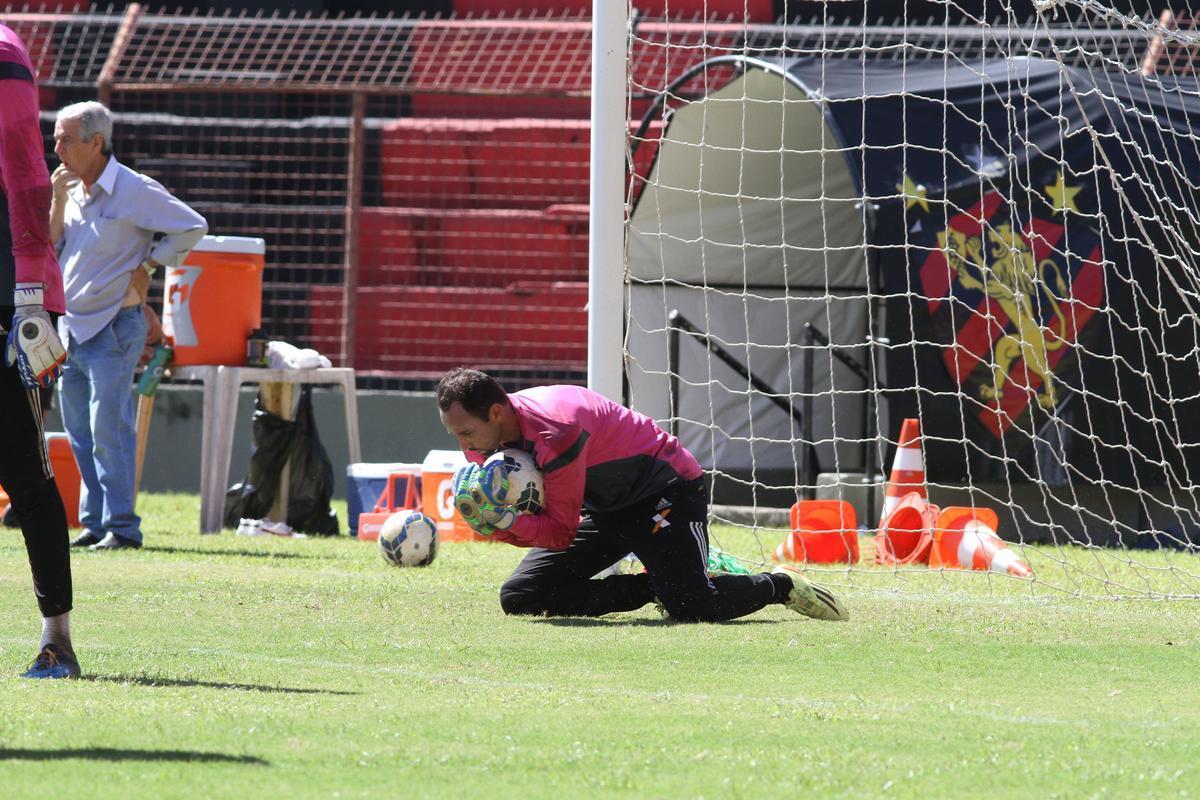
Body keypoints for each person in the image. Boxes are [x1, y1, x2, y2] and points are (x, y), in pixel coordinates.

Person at [436, 367, 849, 623]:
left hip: (664, 493)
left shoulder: (556, 431)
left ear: (495, 412)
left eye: (467, 433)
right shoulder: (482, 440)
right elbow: (552, 515)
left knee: (692, 606)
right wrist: (490, 519)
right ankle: (653, 588)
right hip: (605, 508)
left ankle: (779, 586)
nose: (466, 448)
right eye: (456, 436)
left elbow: (559, 532)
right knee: (520, 597)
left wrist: (503, 522)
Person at [50, 101, 207, 550]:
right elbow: (51, 244)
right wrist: (58, 200)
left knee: (109, 428)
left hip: (114, 326)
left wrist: (149, 268)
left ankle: (121, 528)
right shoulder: (71, 190)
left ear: (96, 142)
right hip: (73, 327)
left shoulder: (134, 189)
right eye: (56, 137)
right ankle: (95, 524)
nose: (56, 147)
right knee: (81, 432)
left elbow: (192, 226)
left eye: (65, 139)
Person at [0, 22, 80, 678]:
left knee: (21, 464)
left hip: (14, 294)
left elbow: (26, 161)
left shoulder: (2, 50)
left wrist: (29, 292)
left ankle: (59, 639)